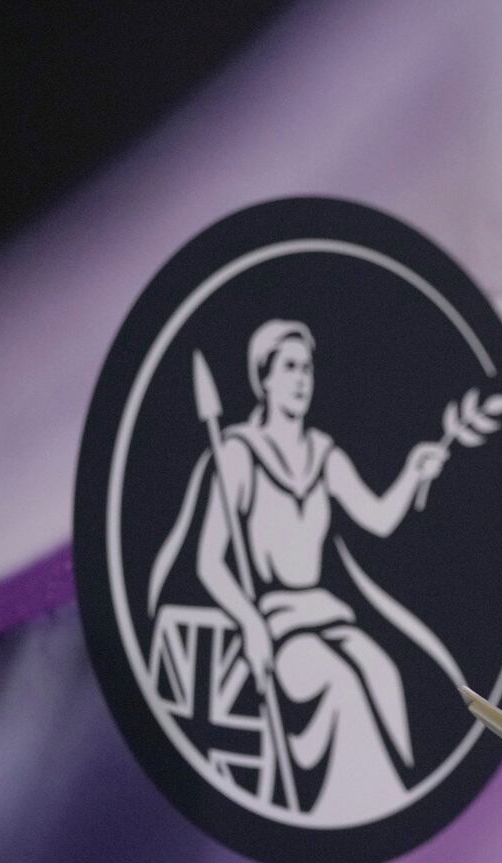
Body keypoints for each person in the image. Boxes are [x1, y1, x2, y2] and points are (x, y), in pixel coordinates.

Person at [151, 319, 449, 823]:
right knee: (341, 685)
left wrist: (412, 475)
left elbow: (375, 519)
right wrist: (248, 623)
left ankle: (388, 812)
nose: (301, 378)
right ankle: (353, 814)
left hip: (327, 614)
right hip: (277, 626)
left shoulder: (322, 452)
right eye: (289, 367)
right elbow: (208, 562)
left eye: (307, 368)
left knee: (382, 672)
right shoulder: (239, 455)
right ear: (263, 379)